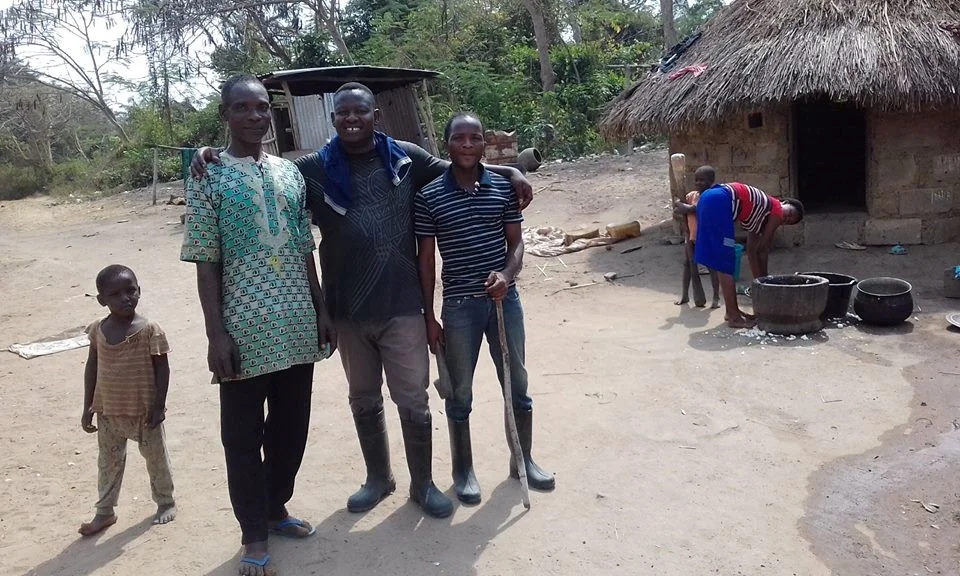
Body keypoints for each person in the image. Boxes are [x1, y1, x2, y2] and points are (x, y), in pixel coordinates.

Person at [190, 82, 533, 520]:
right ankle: (378, 478)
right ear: (333, 119)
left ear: (376, 116)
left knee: (413, 400)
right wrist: (208, 152)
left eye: (361, 112)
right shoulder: (310, 169)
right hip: (347, 308)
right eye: (343, 113)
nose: (352, 119)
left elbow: (460, 166)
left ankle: (423, 484)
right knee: (364, 398)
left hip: (403, 303)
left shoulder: (406, 157)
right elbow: (256, 168)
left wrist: (512, 172)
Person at [181, 74, 334, 576]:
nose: (255, 116)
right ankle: (252, 534)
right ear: (224, 115)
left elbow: (302, 247)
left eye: (262, 108)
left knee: (292, 428)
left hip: (295, 322)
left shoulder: (289, 175)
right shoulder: (207, 176)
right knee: (242, 437)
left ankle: (276, 507)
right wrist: (215, 334)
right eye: (243, 108)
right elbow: (206, 259)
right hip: (244, 329)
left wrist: (320, 309)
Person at [414, 112, 554, 505]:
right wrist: (430, 316)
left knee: (518, 385)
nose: (468, 145)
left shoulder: (502, 189)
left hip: (504, 301)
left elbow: (517, 244)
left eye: (475, 138)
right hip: (459, 306)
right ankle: (463, 470)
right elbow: (426, 262)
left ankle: (522, 460)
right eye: (459, 138)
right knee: (460, 393)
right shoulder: (429, 198)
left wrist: (507, 275)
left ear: (483, 145)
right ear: (447, 145)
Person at [79, 265, 176, 537]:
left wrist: (159, 406)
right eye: (115, 294)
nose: (125, 298)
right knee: (108, 464)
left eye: (130, 291)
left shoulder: (149, 330)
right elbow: (92, 366)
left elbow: (162, 369)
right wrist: (88, 406)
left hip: (144, 412)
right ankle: (104, 511)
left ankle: (165, 501)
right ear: (102, 300)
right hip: (108, 411)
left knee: (156, 459)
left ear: (139, 291)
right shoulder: (98, 330)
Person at [675, 166, 805, 328]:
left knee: (723, 260)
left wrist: (759, 284)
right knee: (725, 260)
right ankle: (734, 316)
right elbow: (763, 250)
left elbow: (752, 251)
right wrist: (766, 285)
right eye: (790, 213)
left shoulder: (758, 214)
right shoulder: (776, 210)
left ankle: (731, 313)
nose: (786, 218)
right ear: (784, 202)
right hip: (718, 201)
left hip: (710, 199)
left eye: (789, 222)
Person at [675, 185, 719, 309]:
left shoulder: (709, 198)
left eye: (703, 180)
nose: (699, 183)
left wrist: (679, 204)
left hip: (705, 237)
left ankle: (716, 297)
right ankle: (685, 295)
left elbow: (692, 209)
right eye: (697, 180)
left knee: (711, 266)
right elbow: (679, 211)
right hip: (690, 236)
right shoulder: (691, 195)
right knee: (688, 264)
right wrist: (687, 235)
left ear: (711, 183)